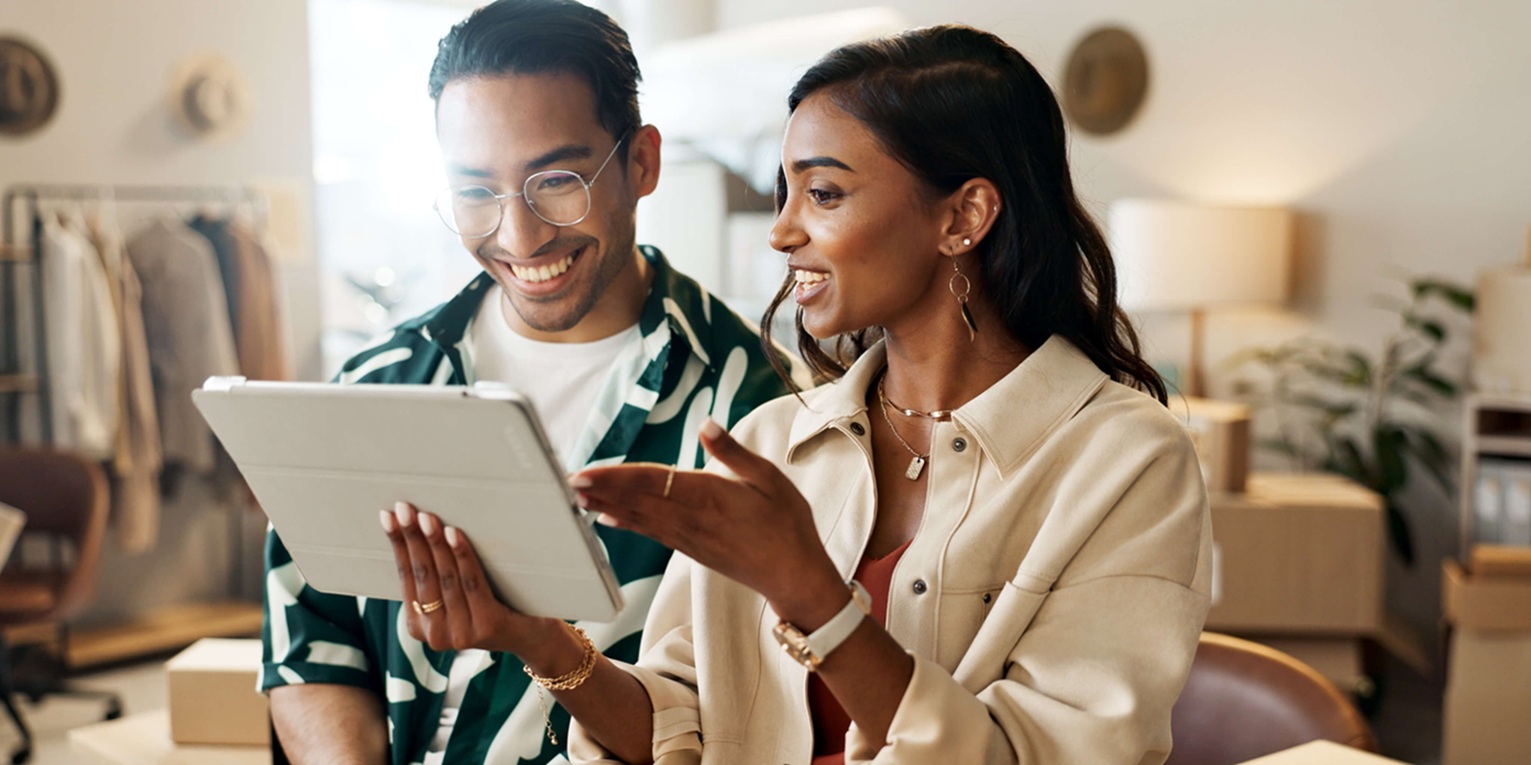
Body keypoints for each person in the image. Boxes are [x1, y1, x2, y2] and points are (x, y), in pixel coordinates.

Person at [386, 23, 1213, 765]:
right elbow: (679, 726)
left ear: (962, 215)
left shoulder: (1126, 461)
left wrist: (814, 594)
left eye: (822, 193)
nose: (782, 231)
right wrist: (530, 635)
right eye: (784, 192)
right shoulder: (773, 439)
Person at [261, 2, 803, 762]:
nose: (519, 237)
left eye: (556, 180)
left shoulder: (758, 409)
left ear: (640, 163)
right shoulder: (375, 382)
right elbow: (309, 641)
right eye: (477, 191)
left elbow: (742, 722)